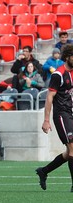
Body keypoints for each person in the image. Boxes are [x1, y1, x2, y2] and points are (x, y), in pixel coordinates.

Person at [36, 44, 73, 192]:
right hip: (61, 115)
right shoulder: (58, 74)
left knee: (68, 153)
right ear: (67, 57)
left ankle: (44, 171)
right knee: (72, 149)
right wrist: (46, 120)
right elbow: (49, 97)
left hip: (70, 113)